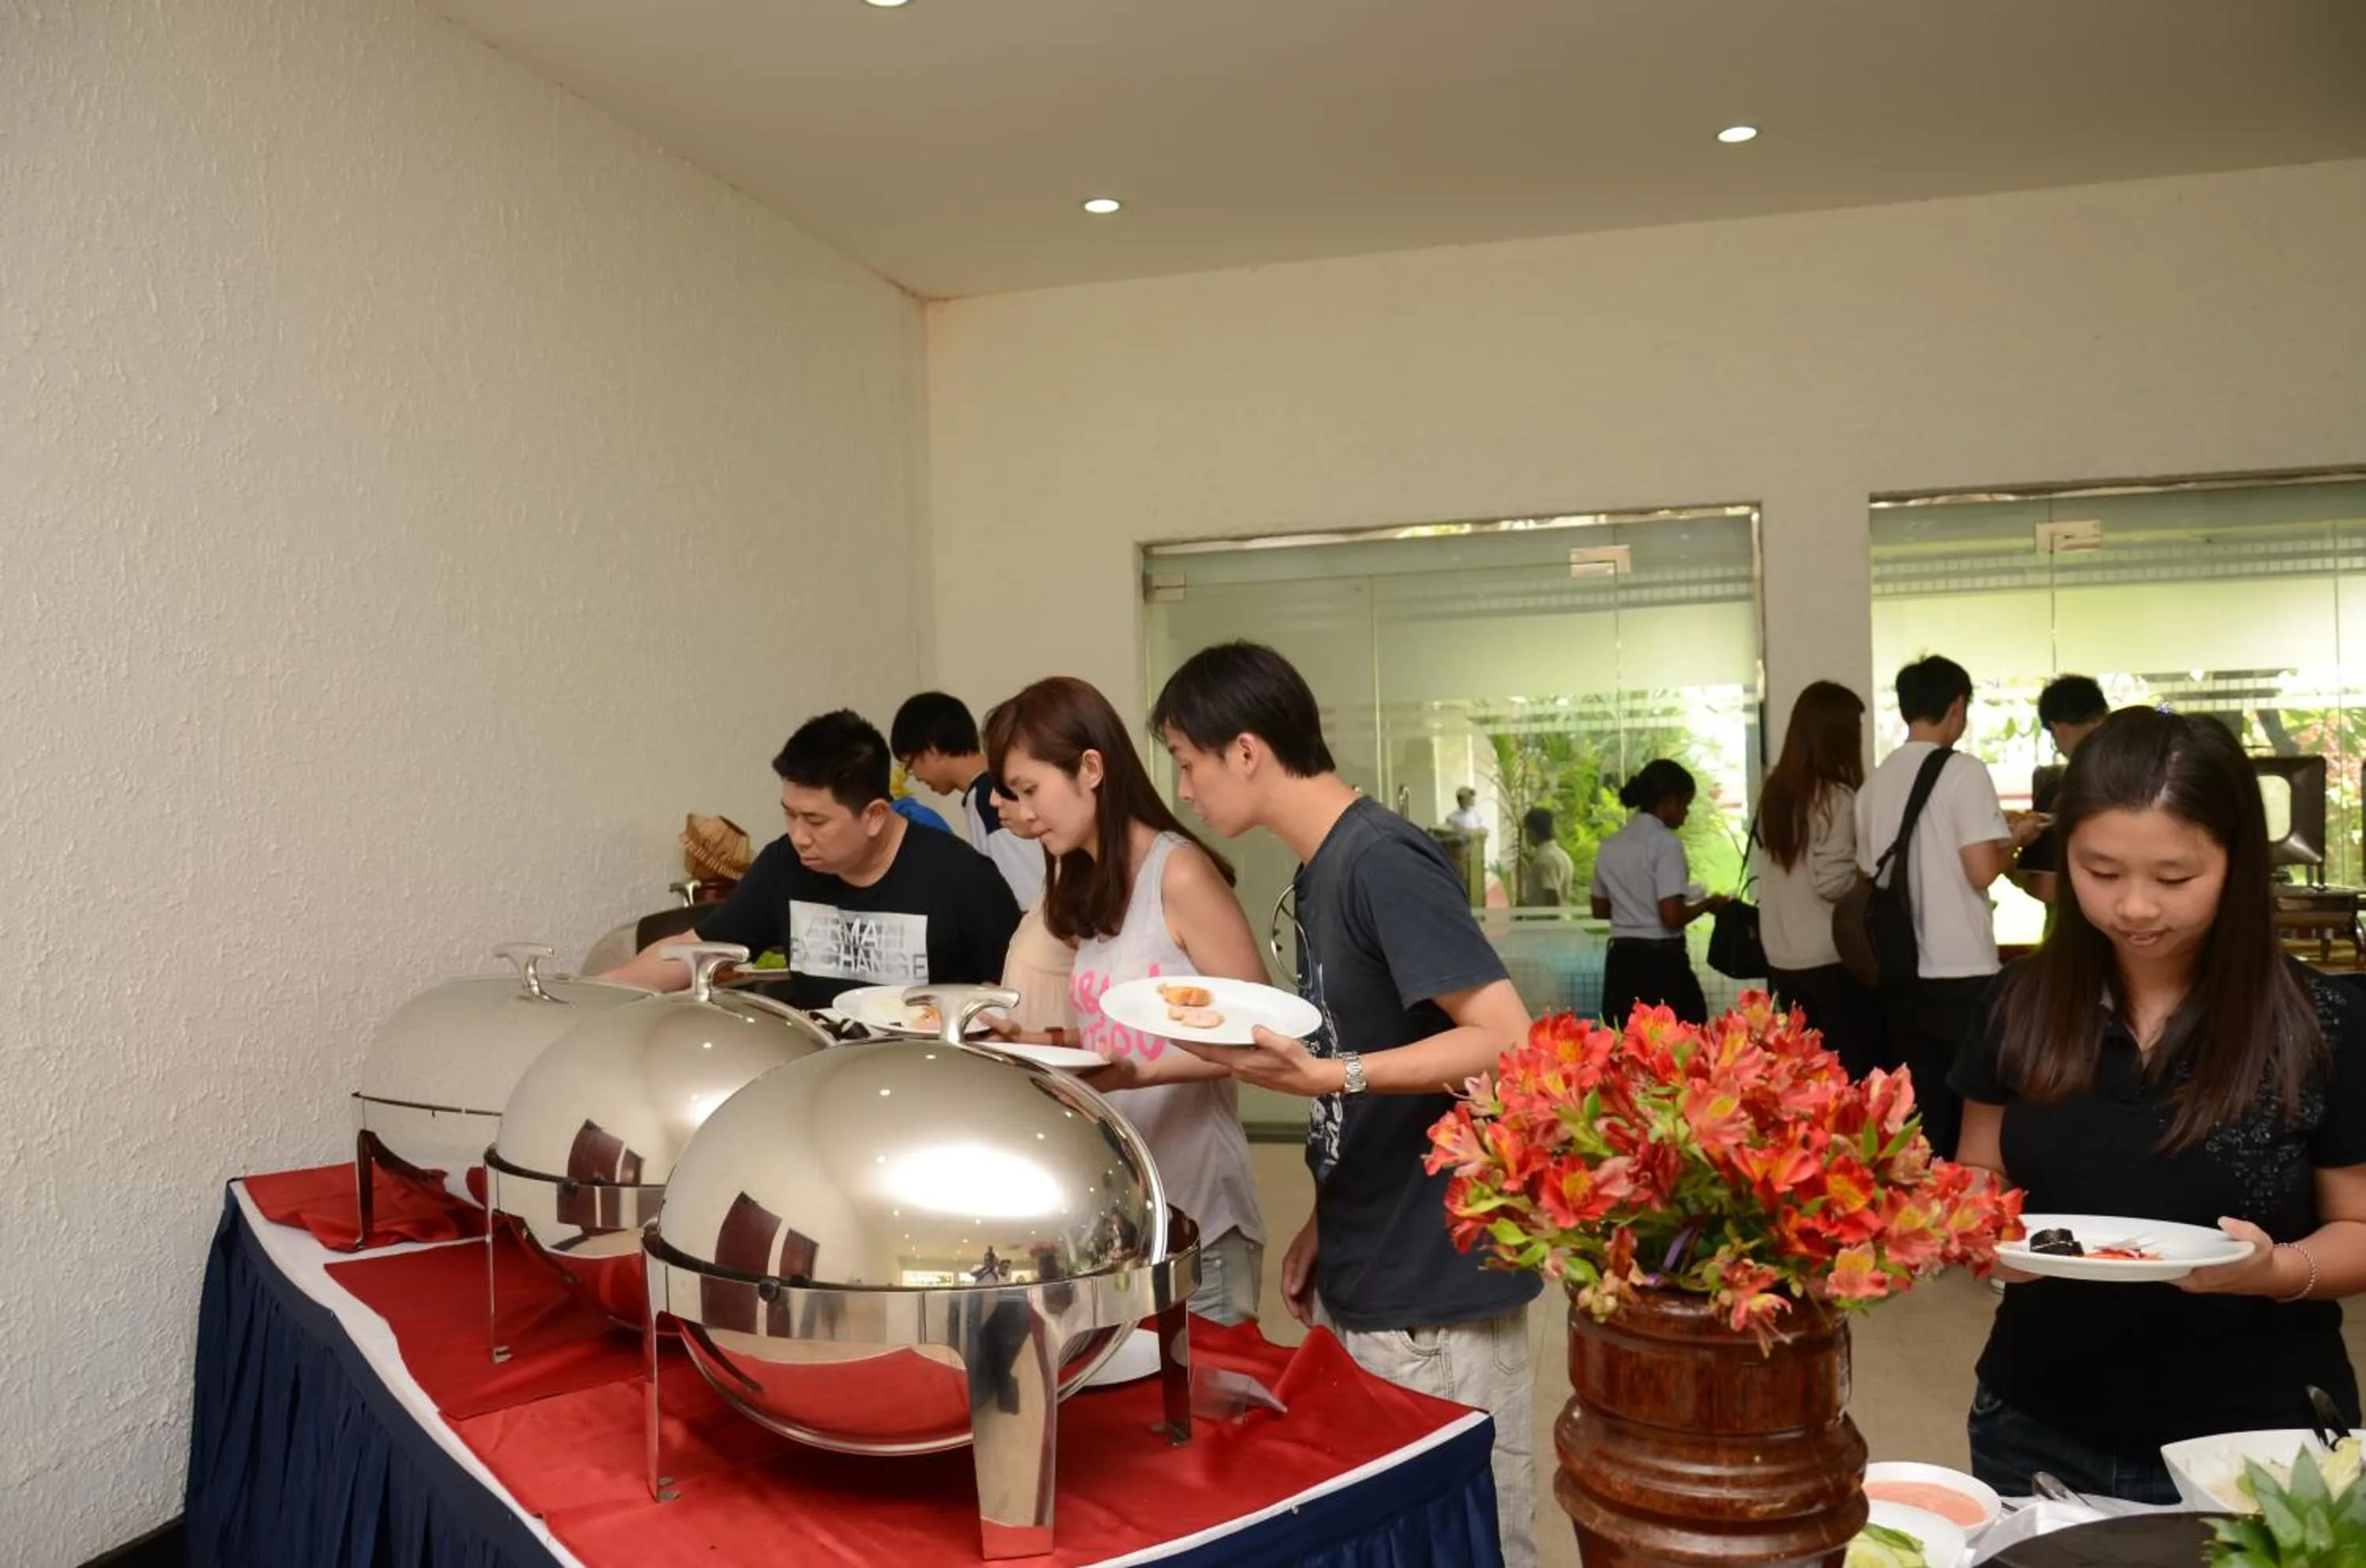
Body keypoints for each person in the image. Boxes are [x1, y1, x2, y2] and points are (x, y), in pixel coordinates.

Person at [1122, 641, 1540, 1568]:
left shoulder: (1380, 858)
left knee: (1474, 1543)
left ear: (1245, 749)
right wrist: (1325, 1211)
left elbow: (1507, 1039)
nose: (1184, 789)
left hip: (1435, 1276)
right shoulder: (1319, 869)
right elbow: (1381, 1041)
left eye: (1187, 762)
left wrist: (1333, 1075)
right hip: (1367, 1251)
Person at [1951, 707, 2366, 1501]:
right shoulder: (2018, 1003)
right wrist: (1976, 1231)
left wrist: (2276, 1270)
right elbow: (1980, 1167)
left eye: (2174, 878)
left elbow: (2359, 1227)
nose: (2135, 907)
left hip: (2262, 1445)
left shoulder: (2323, 1022)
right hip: (2036, 1424)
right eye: (2101, 872)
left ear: (2238, 861)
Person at [979, 676, 1268, 1325]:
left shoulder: (1178, 872)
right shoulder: (1085, 876)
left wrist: (1136, 1074)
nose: (1024, 811)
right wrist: (1031, 1044)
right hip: (1130, 1217)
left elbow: (1261, 1038)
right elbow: (1118, 1037)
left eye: (1030, 789)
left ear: (1090, 769)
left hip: (1201, 1213)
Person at [602, 710, 1021, 1013]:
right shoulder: (783, 866)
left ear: (875, 815)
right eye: (790, 814)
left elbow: (1011, 994)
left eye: (816, 821)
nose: (799, 836)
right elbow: (694, 949)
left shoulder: (961, 876)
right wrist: (592, 993)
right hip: (819, 1078)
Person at [1857, 656, 2043, 1158]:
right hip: (1961, 969)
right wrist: (2017, 839)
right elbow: (1980, 870)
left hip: (1901, 971)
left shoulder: (1873, 785)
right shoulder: (1963, 772)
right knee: (1975, 1112)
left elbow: (1868, 873)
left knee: (1921, 1114)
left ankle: (1925, 1198)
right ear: (1957, 707)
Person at [1753, 681, 1886, 1078]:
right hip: (1829, 959)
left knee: (1804, 1075)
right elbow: (1831, 883)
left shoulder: (1775, 794)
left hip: (1782, 956)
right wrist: (1867, 875)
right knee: (1848, 1076)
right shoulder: (1836, 799)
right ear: (1837, 736)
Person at [1590, 760, 1726, 1027]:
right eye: (1685, 805)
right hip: (1661, 965)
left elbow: (1600, 909)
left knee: (1626, 1041)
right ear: (1669, 801)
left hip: (1621, 963)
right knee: (1680, 1040)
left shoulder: (1610, 846)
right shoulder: (1665, 844)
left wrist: (1633, 905)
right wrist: (1708, 904)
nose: (1686, 814)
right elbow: (1671, 917)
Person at [890, 690, 1047, 908]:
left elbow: (1027, 889)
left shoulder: (989, 798)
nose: (916, 777)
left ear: (931, 751)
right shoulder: (988, 789)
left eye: (910, 765)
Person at [2014, 674, 2110, 905]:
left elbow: (2047, 889)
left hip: (2076, 923)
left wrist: (2008, 864)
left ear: (2056, 728)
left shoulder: (2059, 792)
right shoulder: (2146, 779)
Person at [1518, 806, 1575, 907]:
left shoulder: (1545, 859)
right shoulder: (1562, 855)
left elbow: (1551, 896)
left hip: (1546, 917)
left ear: (1532, 833)